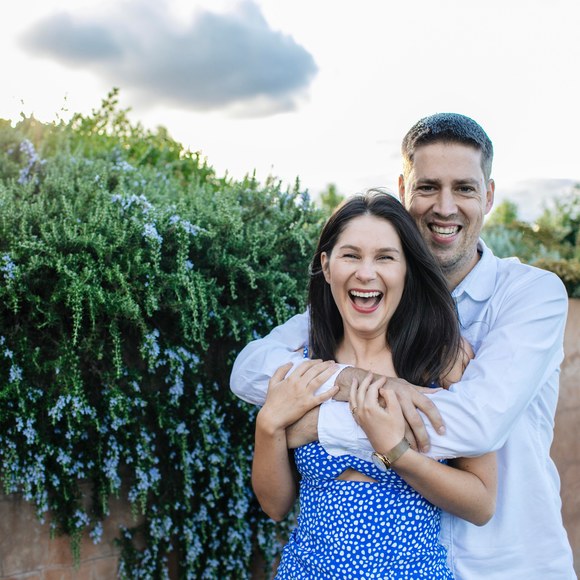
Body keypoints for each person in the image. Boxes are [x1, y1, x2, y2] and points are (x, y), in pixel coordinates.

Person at [231, 113, 577, 579]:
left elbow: (477, 423)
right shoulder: (358, 313)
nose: (445, 207)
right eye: (428, 187)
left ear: (489, 195)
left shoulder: (530, 295)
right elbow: (249, 370)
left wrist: (311, 424)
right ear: (404, 190)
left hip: (506, 565)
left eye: (465, 188)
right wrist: (357, 383)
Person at [252, 191, 496, 578]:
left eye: (385, 257)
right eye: (351, 255)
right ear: (327, 267)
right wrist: (267, 425)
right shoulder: (306, 364)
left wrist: (395, 451)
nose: (366, 273)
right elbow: (275, 506)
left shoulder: (442, 361)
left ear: (407, 270)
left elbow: (481, 505)